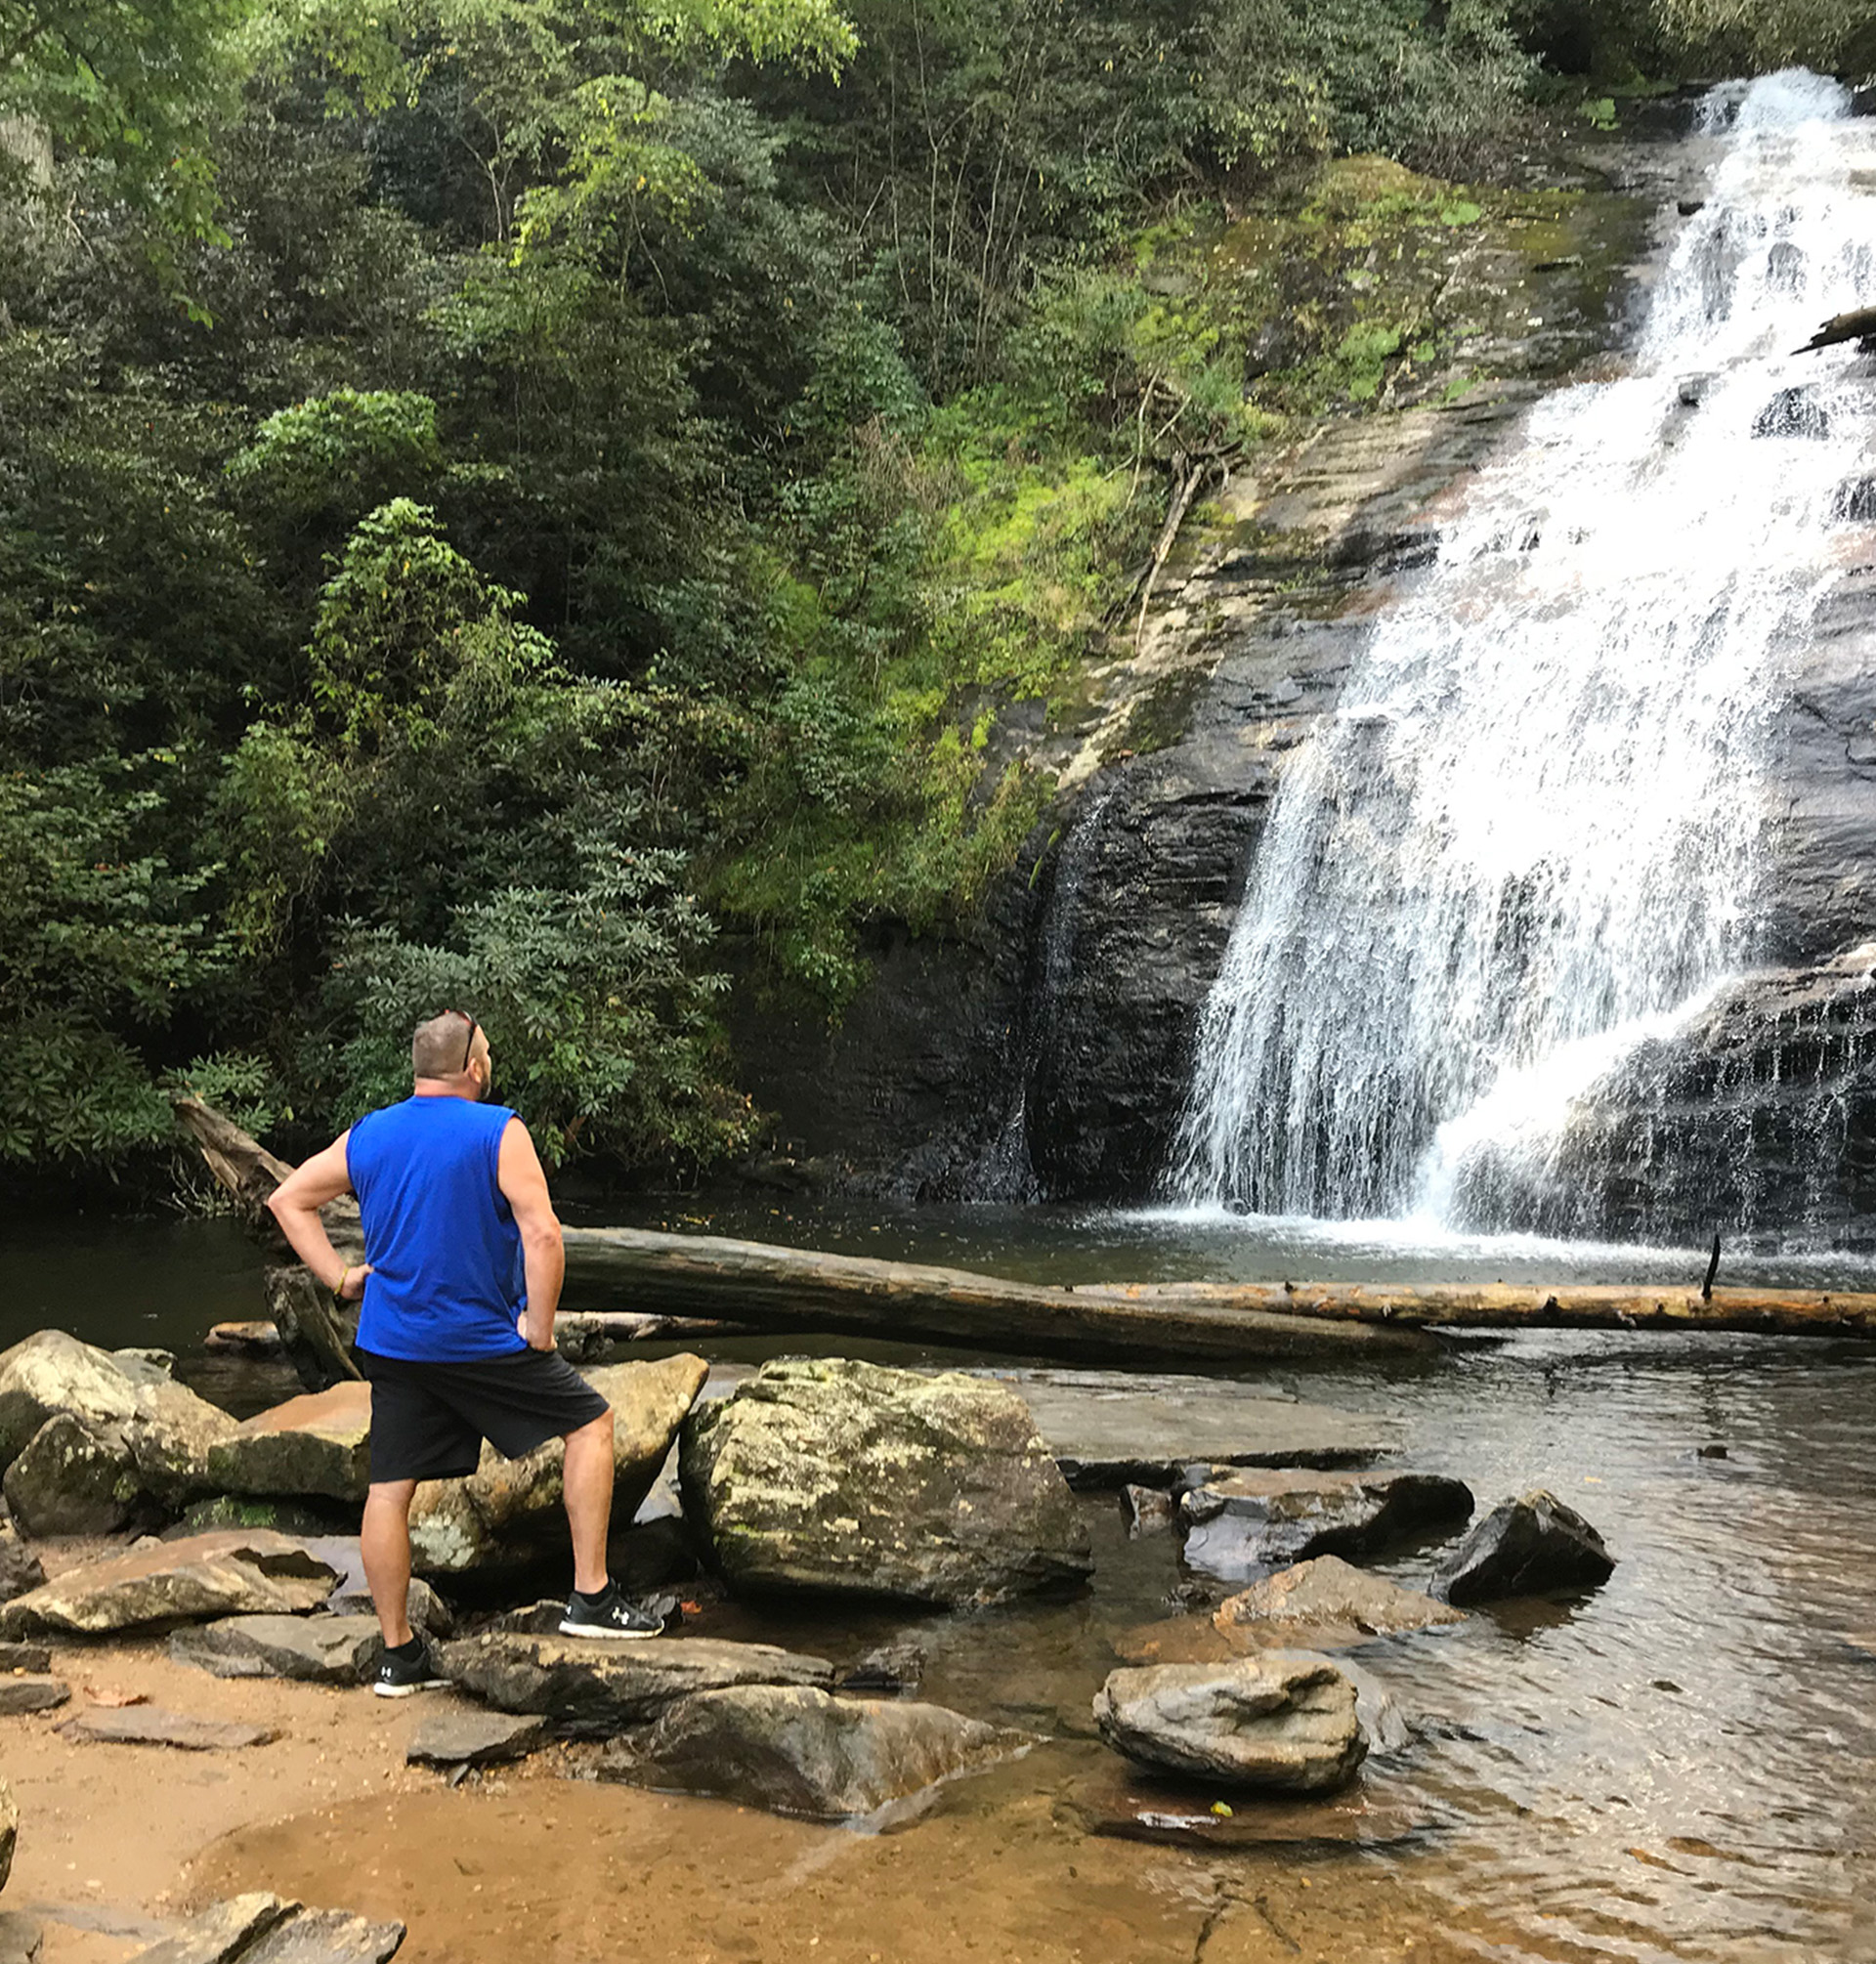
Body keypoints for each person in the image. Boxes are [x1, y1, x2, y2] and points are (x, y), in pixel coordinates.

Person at [267, 1008, 661, 1695]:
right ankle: (591, 1599)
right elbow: (543, 1236)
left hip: (393, 1344)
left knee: (390, 1491)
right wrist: (539, 1329)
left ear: (420, 1070)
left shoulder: (371, 1134)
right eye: (490, 1055)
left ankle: (398, 1657)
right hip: (477, 1340)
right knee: (590, 1425)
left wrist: (339, 1277)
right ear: (474, 1068)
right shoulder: (498, 1130)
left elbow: (287, 1200)